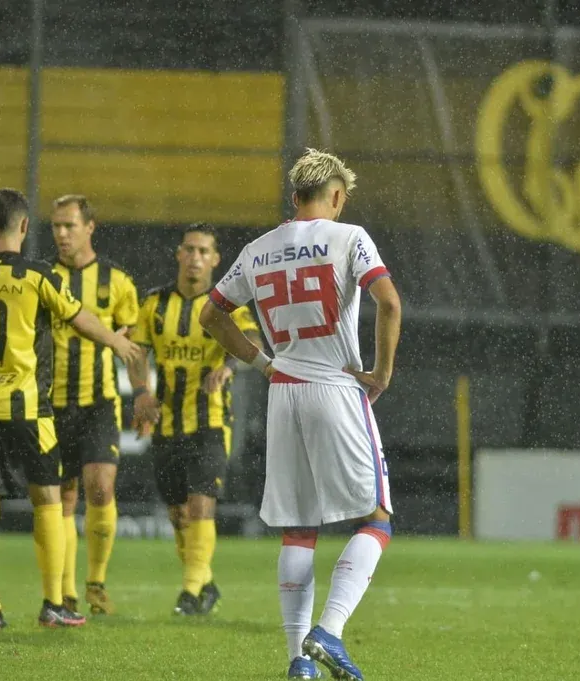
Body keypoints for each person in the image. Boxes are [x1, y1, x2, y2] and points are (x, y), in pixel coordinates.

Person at [199, 149, 402, 681]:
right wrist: (381, 374)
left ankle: (299, 661)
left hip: (283, 391)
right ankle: (329, 630)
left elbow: (211, 314)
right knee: (376, 519)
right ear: (336, 196)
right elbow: (389, 303)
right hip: (335, 386)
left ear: (295, 197)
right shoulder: (349, 237)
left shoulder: (258, 250)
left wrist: (261, 363)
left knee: (298, 530)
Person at [0, 188, 143, 629]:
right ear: (25, 226)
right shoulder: (37, 275)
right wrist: (116, 341)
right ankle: (53, 604)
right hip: (28, 407)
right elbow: (80, 317)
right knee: (49, 500)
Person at [129, 223, 263, 616]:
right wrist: (141, 393)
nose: (195, 258)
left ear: (215, 259)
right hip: (167, 421)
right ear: (178, 254)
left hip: (211, 421)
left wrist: (228, 367)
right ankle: (205, 584)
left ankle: (189, 593)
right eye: (189, 249)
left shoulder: (227, 305)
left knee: (201, 504)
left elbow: (253, 343)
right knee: (178, 514)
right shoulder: (154, 304)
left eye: (204, 251)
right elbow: (136, 353)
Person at [49, 194, 140, 616]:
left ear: (90, 227)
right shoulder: (43, 278)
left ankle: (96, 581)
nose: (61, 233)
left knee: (100, 487)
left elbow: (133, 345)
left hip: (99, 401)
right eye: (56, 226)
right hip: (52, 403)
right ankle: (66, 590)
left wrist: (142, 394)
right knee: (63, 498)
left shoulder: (117, 281)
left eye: (69, 225)